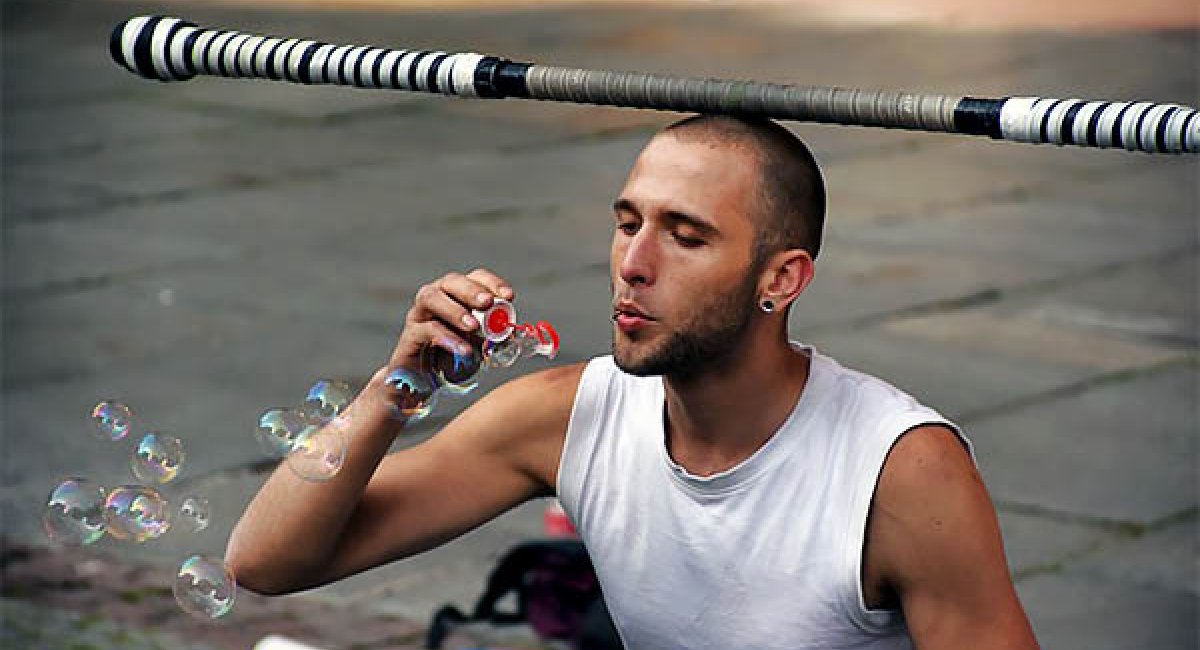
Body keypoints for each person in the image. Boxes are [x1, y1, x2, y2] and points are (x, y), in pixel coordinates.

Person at [227, 114, 1040, 649]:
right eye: (626, 224)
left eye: (685, 237)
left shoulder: (900, 471)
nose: (634, 265)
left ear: (782, 279)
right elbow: (263, 561)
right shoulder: (570, 415)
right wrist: (395, 389)